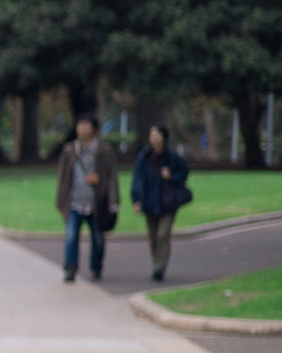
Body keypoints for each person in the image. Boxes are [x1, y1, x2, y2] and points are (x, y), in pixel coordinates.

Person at [55, 114, 119, 282]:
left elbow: (112, 176)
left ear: (93, 128)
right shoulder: (70, 150)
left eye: (85, 125)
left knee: (98, 238)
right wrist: (60, 200)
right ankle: (70, 268)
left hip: (96, 203)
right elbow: (62, 177)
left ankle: (96, 267)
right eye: (79, 125)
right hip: (74, 202)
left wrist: (113, 200)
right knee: (71, 236)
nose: (82, 129)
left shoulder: (104, 151)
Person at [129, 123, 191, 282]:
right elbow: (137, 179)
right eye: (152, 134)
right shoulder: (144, 157)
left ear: (164, 138)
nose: (154, 138)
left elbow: (184, 173)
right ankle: (156, 264)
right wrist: (136, 200)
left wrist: (171, 176)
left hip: (168, 202)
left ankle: (160, 267)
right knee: (153, 237)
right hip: (150, 201)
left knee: (162, 234)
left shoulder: (172, 157)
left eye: (157, 135)